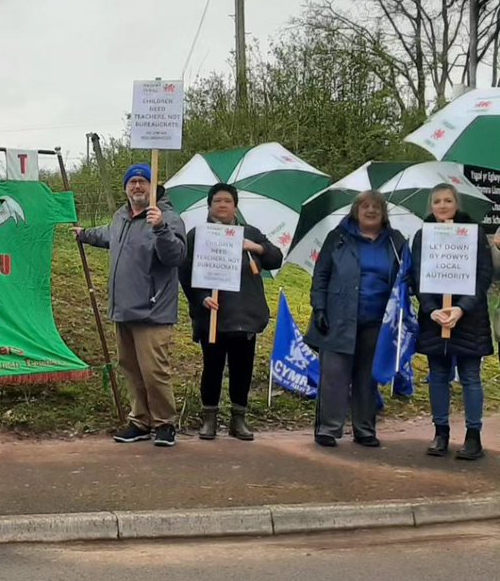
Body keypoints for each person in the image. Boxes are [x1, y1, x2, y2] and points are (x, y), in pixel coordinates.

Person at [76, 164, 188, 447]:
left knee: (154, 371)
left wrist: (160, 228)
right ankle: (140, 421)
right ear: (126, 188)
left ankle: (164, 423)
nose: (137, 187)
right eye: (132, 182)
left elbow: (175, 255)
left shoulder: (169, 218)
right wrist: (84, 234)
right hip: (123, 308)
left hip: (152, 311)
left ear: (152, 186)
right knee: (130, 368)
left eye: (142, 182)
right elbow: (108, 236)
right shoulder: (121, 216)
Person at [179, 183, 283, 441]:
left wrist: (255, 247)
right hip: (213, 316)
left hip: (244, 315)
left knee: (242, 369)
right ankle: (209, 419)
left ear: (235, 206)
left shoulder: (251, 233)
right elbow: (185, 272)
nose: (222, 205)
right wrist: (201, 298)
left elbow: (275, 258)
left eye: (227, 201)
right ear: (209, 205)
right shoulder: (197, 235)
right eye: (217, 201)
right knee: (212, 367)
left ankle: (239, 419)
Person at [307, 190, 407, 449]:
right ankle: (328, 429)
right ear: (356, 210)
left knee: (367, 377)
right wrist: (319, 308)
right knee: (334, 376)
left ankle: (364, 429)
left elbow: (407, 278)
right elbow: (321, 275)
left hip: (378, 321)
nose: (370, 210)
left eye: (376, 206)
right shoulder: (337, 238)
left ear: (384, 212)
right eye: (365, 206)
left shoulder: (396, 242)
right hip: (337, 316)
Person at [409, 184, 493, 461]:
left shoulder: (475, 234)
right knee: (438, 376)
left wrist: (460, 309)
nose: (442, 205)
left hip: (469, 319)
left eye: (448, 200)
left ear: (456, 204)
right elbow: (419, 275)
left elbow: (483, 276)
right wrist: (432, 309)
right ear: (431, 205)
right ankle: (440, 432)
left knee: (470, 377)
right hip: (436, 317)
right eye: (437, 201)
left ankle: (473, 437)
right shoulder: (423, 236)